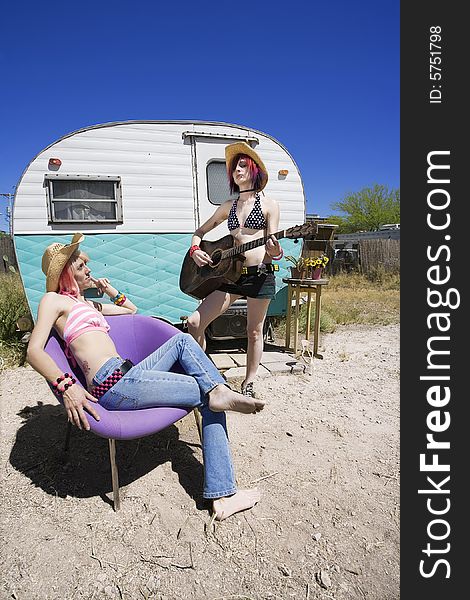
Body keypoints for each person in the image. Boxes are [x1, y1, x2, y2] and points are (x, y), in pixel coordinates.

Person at [26, 233, 265, 521]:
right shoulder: (54, 301)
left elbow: (131, 311)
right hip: (113, 384)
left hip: (130, 374)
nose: (89, 269)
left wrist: (109, 289)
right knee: (207, 396)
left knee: (183, 342)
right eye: (81, 267)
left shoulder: (89, 306)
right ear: (66, 274)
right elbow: (34, 351)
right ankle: (223, 493)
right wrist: (67, 388)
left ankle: (217, 390)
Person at [187, 142, 283, 398]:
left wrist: (275, 251)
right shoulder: (227, 206)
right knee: (195, 322)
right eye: (234, 167)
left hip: (259, 275)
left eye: (243, 165)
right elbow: (199, 233)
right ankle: (205, 374)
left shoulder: (270, 204)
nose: (237, 170)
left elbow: (273, 246)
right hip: (229, 276)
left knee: (253, 332)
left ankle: (249, 382)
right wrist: (195, 250)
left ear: (254, 170)